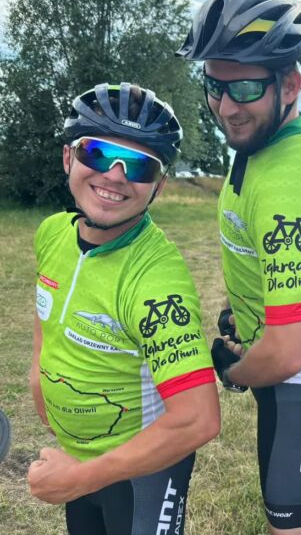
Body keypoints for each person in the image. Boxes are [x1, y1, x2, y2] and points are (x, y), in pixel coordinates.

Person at [176, 0, 301, 534]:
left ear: (291, 84)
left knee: (293, 520)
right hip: (295, 364)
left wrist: (233, 371)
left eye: (244, 87)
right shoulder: (262, 143)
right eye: (214, 85)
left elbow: (288, 350)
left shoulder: (288, 181)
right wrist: (246, 313)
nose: (226, 107)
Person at [28, 82, 221, 534]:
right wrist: (38, 377)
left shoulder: (157, 281)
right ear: (68, 157)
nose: (115, 176)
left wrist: (78, 478)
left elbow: (198, 419)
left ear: (158, 185)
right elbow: (45, 316)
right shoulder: (52, 233)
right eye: (97, 153)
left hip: (142, 473)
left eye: (138, 165)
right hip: (80, 452)